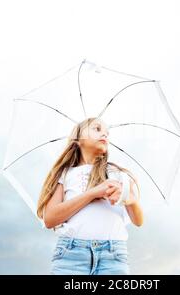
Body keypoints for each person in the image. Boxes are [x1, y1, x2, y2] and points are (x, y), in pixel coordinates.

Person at [37, 117, 143, 275]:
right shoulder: (65, 174)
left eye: (107, 133)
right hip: (71, 256)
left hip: (113, 255)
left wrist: (129, 200)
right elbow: (50, 219)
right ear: (78, 139)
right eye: (97, 129)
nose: (105, 134)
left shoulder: (117, 174)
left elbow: (138, 220)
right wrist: (93, 193)